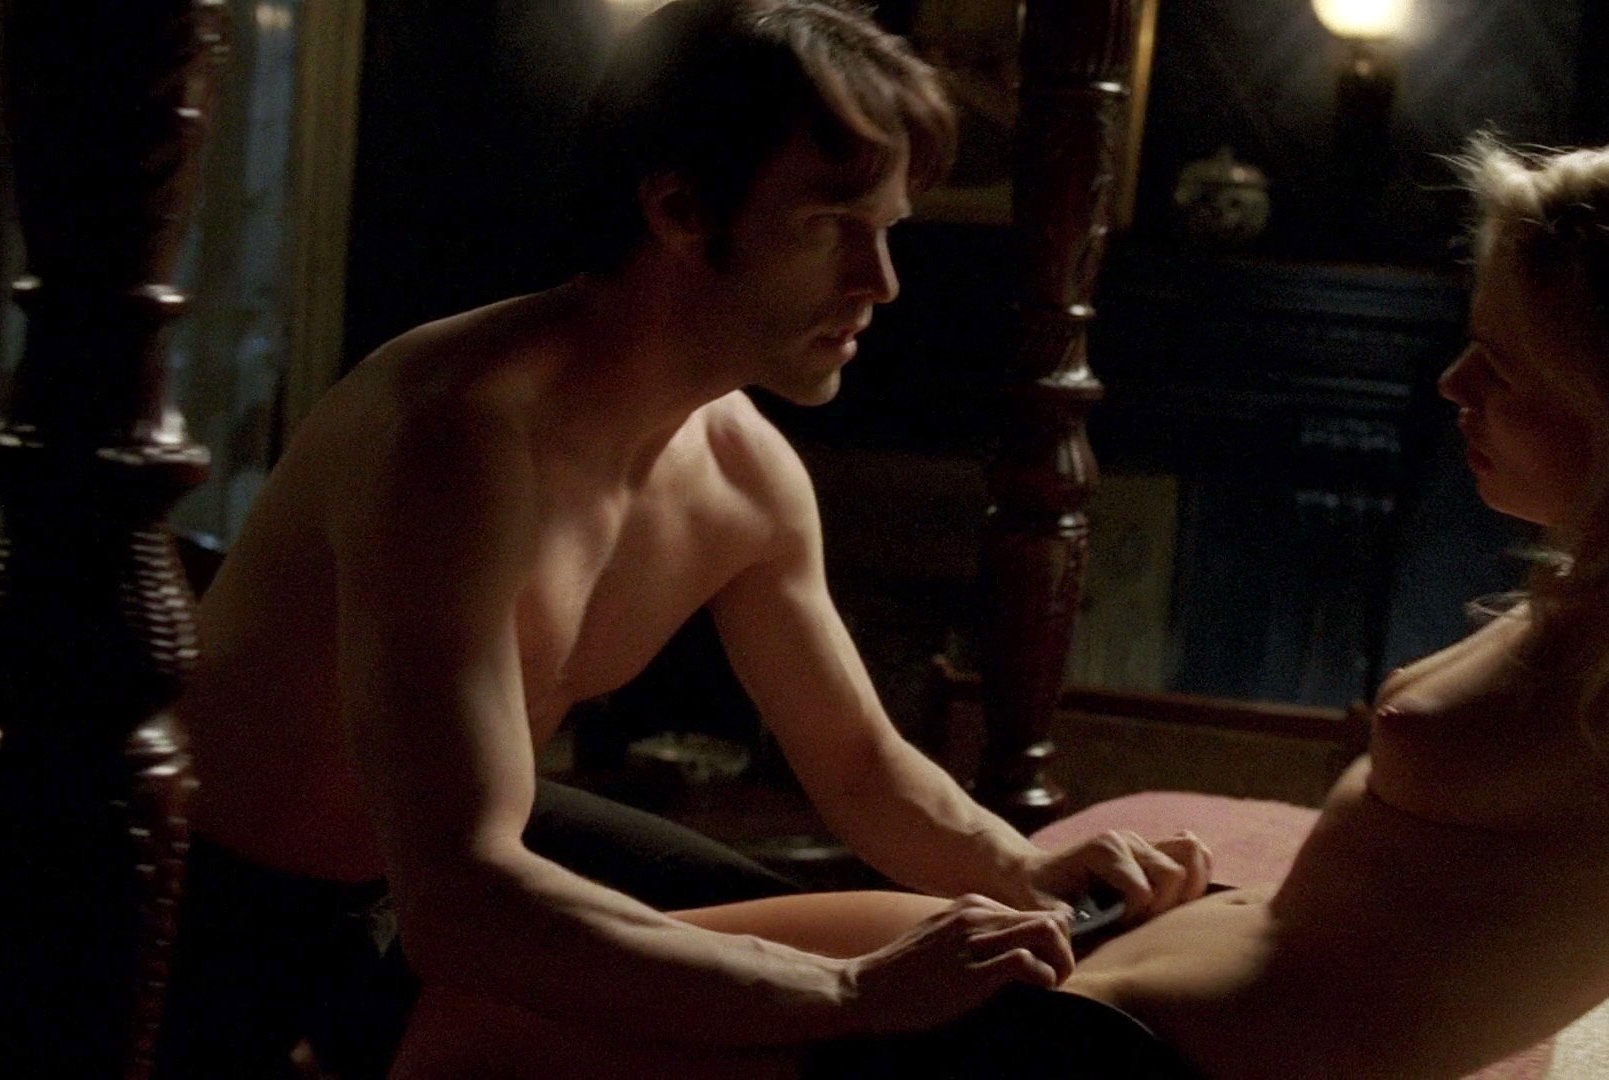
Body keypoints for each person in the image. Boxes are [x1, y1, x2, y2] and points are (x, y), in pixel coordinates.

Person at [465, 131, 1609, 1078]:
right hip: (1113, 972)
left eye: (1506, 367)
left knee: (497, 1029)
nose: (1456, 388)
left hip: (1130, 1058)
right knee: (508, 975)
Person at [156, 1, 1214, 1076]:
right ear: (678, 210)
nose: (880, 281)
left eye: (887, 227)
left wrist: (1023, 868)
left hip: (460, 857)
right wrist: (847, 992)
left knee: (983, 978)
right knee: (855, 1013)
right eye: (830, 226)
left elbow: (860, 766)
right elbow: (460, 902)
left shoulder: (745, 473)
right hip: (228, 919)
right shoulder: (452, 435)